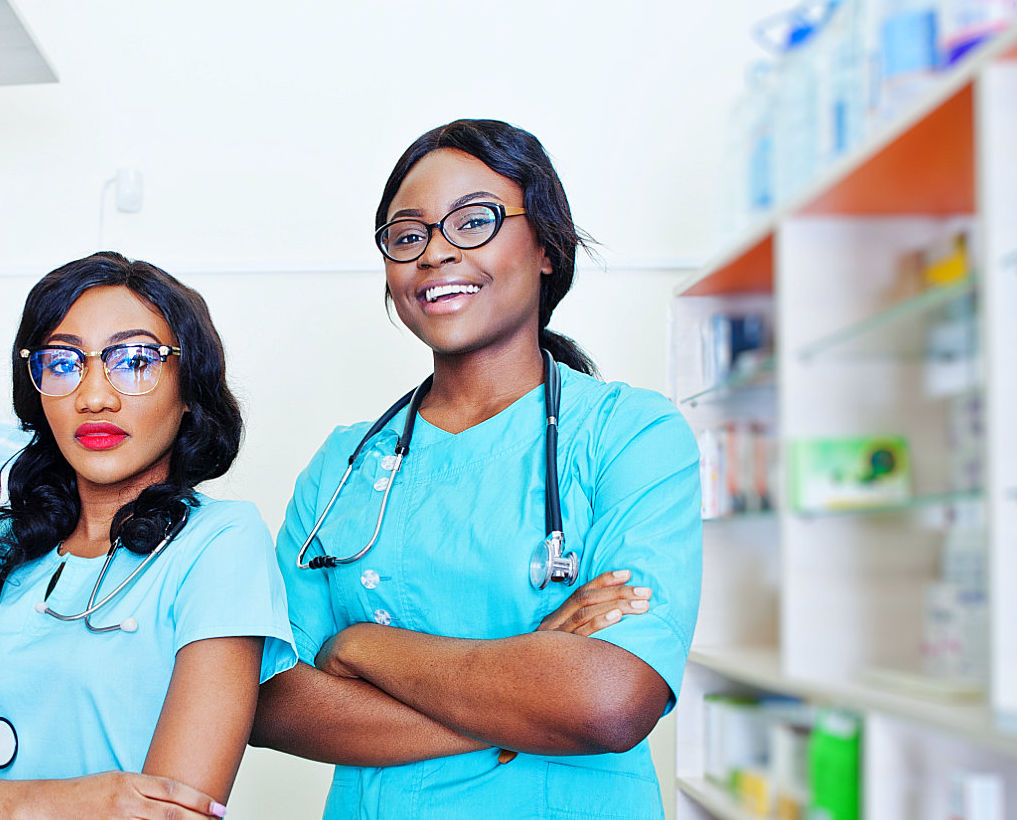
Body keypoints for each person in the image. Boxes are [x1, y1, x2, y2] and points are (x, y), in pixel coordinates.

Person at [251, 119, 703, 819]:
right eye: (408, 236)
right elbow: (270, 699)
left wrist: (361, 646)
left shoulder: (631, 434)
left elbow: (609, 702)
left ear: (548, 248)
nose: (435, 253)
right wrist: (524, 689)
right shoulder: (345, 464)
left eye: (473, 222)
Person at [0, 252, 296, 820]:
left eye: (134, 361)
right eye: (63, 363)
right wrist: (82, 801)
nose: (95, 396)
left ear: (190, 389)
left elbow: (172, 812)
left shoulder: (220, 544)